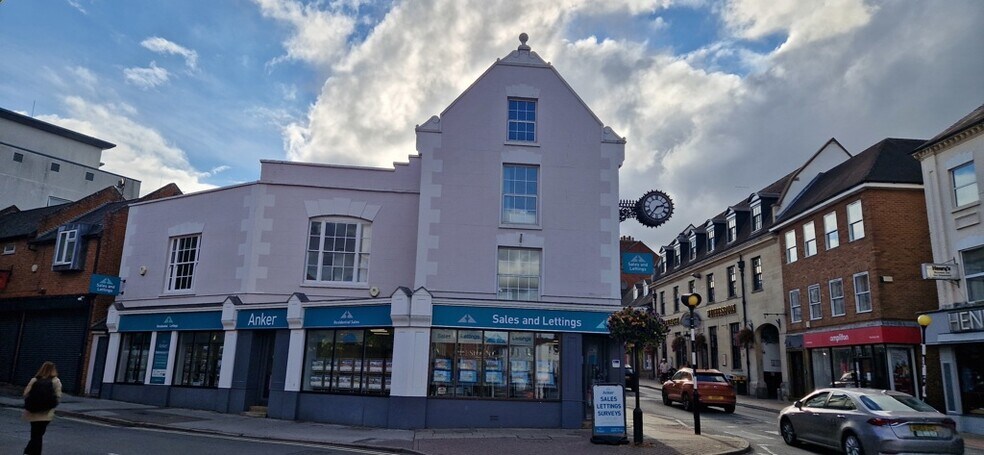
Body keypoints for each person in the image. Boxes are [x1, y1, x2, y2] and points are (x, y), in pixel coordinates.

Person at [22, 361, 62, 455]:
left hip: (33, 411)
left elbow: (25, 393)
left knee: (35, 434)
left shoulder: (35, 380)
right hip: (46, 413)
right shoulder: (56, 381)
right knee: (39, 434)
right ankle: (32, 452)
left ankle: (29, 451)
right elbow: (58, 396)